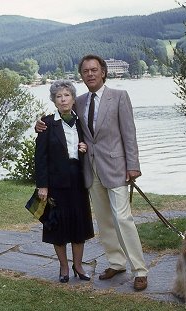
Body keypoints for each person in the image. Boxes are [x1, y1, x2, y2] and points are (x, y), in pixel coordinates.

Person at [36, 55, 148, 290]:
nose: (90, 74)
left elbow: (129, 133)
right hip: (89, 170)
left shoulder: (120, 97)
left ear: (103, 72)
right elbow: (61, 115)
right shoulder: (79, 101)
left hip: (116, 167)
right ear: (82, 75)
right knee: (105, 219)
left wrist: (133, 164)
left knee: (123, 218)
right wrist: (38, 124)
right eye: (85, 71)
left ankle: (139, 269)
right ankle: (116, 262)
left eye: (94, 70)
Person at [35, 80, 94, 283]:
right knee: (57, 226)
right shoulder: (46, 123)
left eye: (66, 95)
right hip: (55, 183)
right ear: (54, 100)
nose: (63, 99)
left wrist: (84, 149)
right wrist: (42, 185)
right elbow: (40, 157)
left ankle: (78, 266)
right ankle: (63, 267)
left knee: (79, 224)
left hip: (77, 180)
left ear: (72, 98)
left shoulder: (81, 121)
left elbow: (91, 143)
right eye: (59, 96)